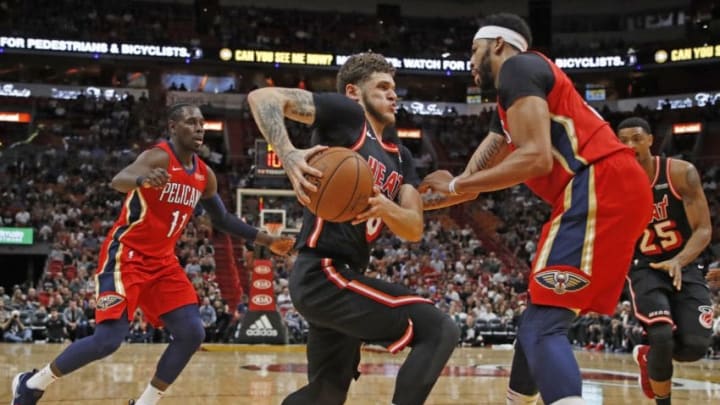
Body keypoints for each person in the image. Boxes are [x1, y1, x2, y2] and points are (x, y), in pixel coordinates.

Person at [420, 13, 652, 405]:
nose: (470, 63)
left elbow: (536, 159)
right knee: (538, 318)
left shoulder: (519, 67)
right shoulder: (511, 101)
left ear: (497, 44)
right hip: (612, 189)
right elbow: (469, 186)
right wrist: (409, 200)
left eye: (474, 51)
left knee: (543, 328)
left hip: (597, 185)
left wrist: (458, 184)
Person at [11, 103, 295, 405]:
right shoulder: (157, 156)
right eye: (190, 122)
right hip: (126, 256)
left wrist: (266, 238)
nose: (199, 128)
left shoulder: (204, 175)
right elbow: (119, 179)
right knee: (108, 340)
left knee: (191, 333)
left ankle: (145, 403)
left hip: (163, 262)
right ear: (173, 127)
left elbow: (223, 220)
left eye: (201, 123)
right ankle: (31, 384)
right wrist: (141, 180)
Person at [248, 52, 459, 405]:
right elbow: (263, 97)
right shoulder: (348, 117)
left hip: (340, 278)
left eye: (395, 88)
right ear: (354, 92)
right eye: (382, 87)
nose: (393, 95)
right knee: (439, 329)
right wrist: (287, 153)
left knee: (325, 395)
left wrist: (391, 205)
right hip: (323, 272)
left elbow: (413, 229)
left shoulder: (401, 156)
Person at [617, 117, 713, 405]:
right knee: (660, 334)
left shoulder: (682, 173)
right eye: (623, 140)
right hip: (644, 267)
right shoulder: (613, 181)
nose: (629, 145)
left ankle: (648, 357)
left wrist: (679, 260)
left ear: (650, 140)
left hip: (683, 264)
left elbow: (704, 229)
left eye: (636, 138)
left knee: (694, 347)